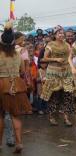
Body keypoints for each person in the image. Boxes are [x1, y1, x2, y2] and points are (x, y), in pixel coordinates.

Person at [0, 22, 32, 153]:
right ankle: (19, 143)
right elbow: (23, 71)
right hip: (16, 85)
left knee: (1, 116)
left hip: (1, 84)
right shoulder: (17, 54)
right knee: (15, 116)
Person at [41, 25, 74, 126]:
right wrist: (55, 59)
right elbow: (44, 59)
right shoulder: (50, 44)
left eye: (62, 33)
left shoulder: (67, 45)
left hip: (66, 72)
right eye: (59, 33)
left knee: (68, 95)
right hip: (53, 73)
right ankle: (51, 116)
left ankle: (66, 117)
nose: (61, 35)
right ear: (55, 35)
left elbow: (70, 57)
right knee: (54, 96)